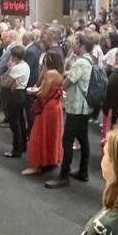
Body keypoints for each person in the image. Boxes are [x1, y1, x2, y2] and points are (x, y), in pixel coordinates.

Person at [45, 36, 94, 189]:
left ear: (82, 45)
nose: (74, 46)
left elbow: (69, 81)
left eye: (76, 44)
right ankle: (83, 171)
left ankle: (64, 175)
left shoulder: (80, 62)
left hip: (76, 107)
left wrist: (59, 88)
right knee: (83, 139)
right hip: (85, 106)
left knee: (67, 140)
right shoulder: (90, 60)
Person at [23, 51, 65, 176]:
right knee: (53, 135)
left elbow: (42, 93)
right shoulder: (60, 74)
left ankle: (36, 165)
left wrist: (33, 92)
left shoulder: (50, 73)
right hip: (56, 107)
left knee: (39, 135)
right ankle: (51, 160)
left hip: (47, 107)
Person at [1, 45, 31, 159]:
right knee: (21, 121)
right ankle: (23, 145)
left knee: (14, 123)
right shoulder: (25, 65)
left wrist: (1, 82)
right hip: (22, 93)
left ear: (16, 57)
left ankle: (16, 149)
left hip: (15, 95)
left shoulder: (16, 68)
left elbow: (8, 84)